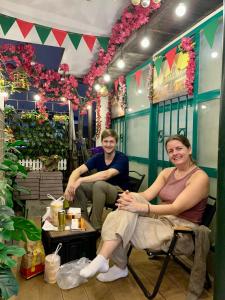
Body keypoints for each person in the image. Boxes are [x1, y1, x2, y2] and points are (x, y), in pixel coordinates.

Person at [79, 134, 209, 282]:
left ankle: (112, 263)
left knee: (116, 218)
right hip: (160, 220)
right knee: (127, 205)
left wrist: (139, 207)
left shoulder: (199, 177)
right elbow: (147, 194)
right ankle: (105, 260)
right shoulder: (167, 172)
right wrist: (129, 196)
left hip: (180, 231)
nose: (175, 153)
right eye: (171, 151)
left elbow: (175, 208)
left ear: (189, 149)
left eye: (179, 148)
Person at [64, 129, 129, 230]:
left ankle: (95, 228)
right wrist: (70, 185)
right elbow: (77, 171)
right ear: (102, 142)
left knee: (98, 184)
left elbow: (106, 175)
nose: (108, 144)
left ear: (116, 143)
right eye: (106, 141)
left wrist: (81, 179)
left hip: (119, 194)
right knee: (78, 187)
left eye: (111, 141)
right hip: (100, 191)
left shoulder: (122, 158)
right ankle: (81, 224)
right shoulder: (98, 157)